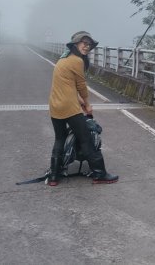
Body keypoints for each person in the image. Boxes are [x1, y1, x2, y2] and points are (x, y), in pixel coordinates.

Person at [47, 31, 118, 186]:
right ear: (75, 44)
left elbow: (68, 86)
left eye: (89, 44)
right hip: (68, 106)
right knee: (86, 139)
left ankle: (54, 176)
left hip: (55, 105)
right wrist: (87, 104)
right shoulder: (76, 61)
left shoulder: (63, 59)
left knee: (60, 138)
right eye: (84, 43)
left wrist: (79, 102)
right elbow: (81, 86)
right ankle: (99, 174)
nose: (87, 46)